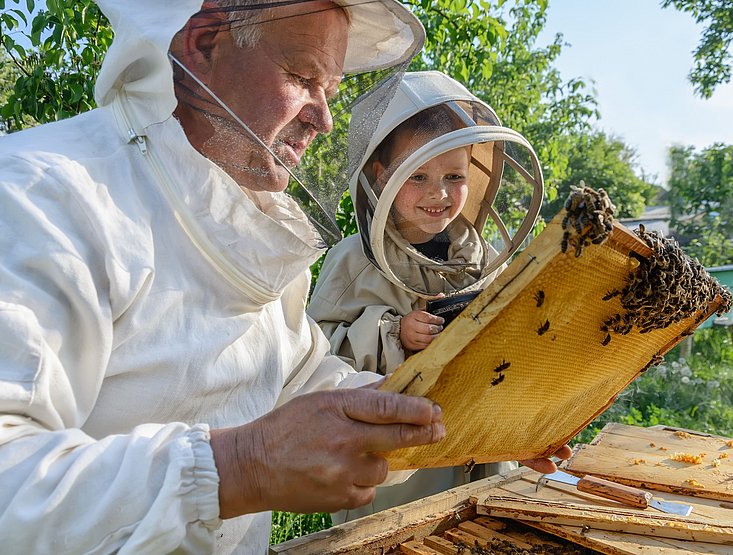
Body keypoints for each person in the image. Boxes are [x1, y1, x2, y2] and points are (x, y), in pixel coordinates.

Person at [0, 2, 570, 553]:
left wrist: (478, 415)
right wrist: (240, 466)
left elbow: (308, 380)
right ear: (204, 43)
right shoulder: (39, 196)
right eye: (302, 76)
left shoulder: (245, 224)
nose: (322, 118)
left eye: (331, 90)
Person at [308, 71, 551, 521]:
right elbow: (311, 359)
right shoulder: (352, 261)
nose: (438, 193)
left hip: (477, 456)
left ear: (474, 173)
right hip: (396, 473)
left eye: (453, 175)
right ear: (381, 177)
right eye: (417, 176)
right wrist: (392, 332)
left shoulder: (482, 258)